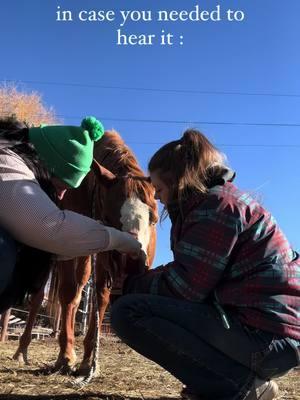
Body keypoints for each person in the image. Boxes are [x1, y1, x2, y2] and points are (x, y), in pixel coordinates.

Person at [110, 129, 300, 400]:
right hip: (274, 338)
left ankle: (238, 385)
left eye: (160, 188)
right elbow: (192, 271)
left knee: (128, 312)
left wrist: (131, 284)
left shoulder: (215, 208)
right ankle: (225, 381)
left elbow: (187, 288)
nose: (158, 198)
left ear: (177, 181)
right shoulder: (221, 202)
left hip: (265, 340)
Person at [0, 115, 141, 313]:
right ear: (49, 165)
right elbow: (49, 228)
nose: (62, 195)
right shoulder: (6, 165)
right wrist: (119, 239)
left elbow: (51, 246)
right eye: (62, 185)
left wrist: (90, 237)